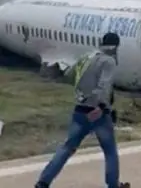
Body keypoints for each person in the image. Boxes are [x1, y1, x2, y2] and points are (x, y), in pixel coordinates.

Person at [35, 32, 130, 188]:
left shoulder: (88, 57)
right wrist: (100, 107)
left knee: (67, 148)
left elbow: (71, 74)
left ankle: (43, 182)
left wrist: (83, 94)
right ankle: (113, 185)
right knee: (110, 151)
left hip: (80, 110)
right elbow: (104, 86)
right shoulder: (109, 61)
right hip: (98, 113)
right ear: (115, 47)